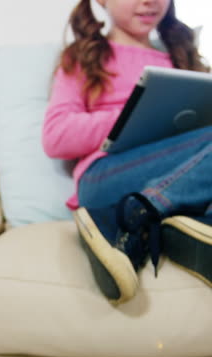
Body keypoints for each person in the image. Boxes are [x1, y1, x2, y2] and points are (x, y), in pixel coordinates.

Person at [42, 0, 212, 305]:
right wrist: (130, 114)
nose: (150, 2)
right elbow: (56, 136)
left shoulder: (181, 59)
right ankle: (138, 212)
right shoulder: (84, 56)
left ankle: (176, 228)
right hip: (104, 179)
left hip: (179, 171)